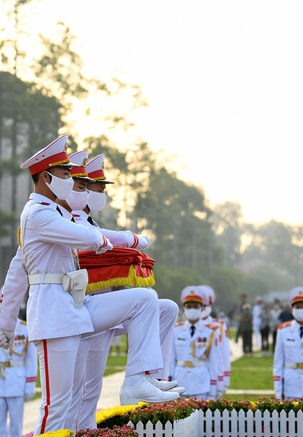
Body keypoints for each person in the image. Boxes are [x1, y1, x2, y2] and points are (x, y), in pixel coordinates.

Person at [0, 136, 176, 435]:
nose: (71, 180)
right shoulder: (37, 214)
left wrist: (120, 239)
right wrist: (6, 323)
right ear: (45, 176)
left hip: (74, 307)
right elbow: (27, 268)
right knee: (57, 405)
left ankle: (136, 381)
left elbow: (80, 233)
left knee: (146, 299)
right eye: (66, 174)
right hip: (54, 314)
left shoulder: (53, 213)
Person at [67, 152, 182, 431]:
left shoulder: (87, 220)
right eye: (93, 187)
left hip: (101, 305)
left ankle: (149, 374)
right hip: (80, 308)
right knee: (81, 389)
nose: (100, 193)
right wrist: (133, 239)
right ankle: (76, 430)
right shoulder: (68, 218)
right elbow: (98, 239)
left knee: (166, 309)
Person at [0, 317, 37, 437]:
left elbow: (31, 360)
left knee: (16, 428)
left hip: (17, 383)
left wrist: (30, 386)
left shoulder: (25, 328)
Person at [167, 286, 220, 400]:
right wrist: (169, 383)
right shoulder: (176, 331)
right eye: (189, 306)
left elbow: (214, 362)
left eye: (196, 307)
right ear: (184, 308)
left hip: (201, 383)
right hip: (180, 381)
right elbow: (171, 359)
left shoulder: (210, 332)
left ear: (202, 308)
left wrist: (213, 389)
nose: (192, 309)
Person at [199, 285, 230, 398]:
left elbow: (224, 355)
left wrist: (224, 380)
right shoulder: (181, 327)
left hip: (212, 375)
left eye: (206, 305)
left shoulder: (219, 326)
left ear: (211, 305)